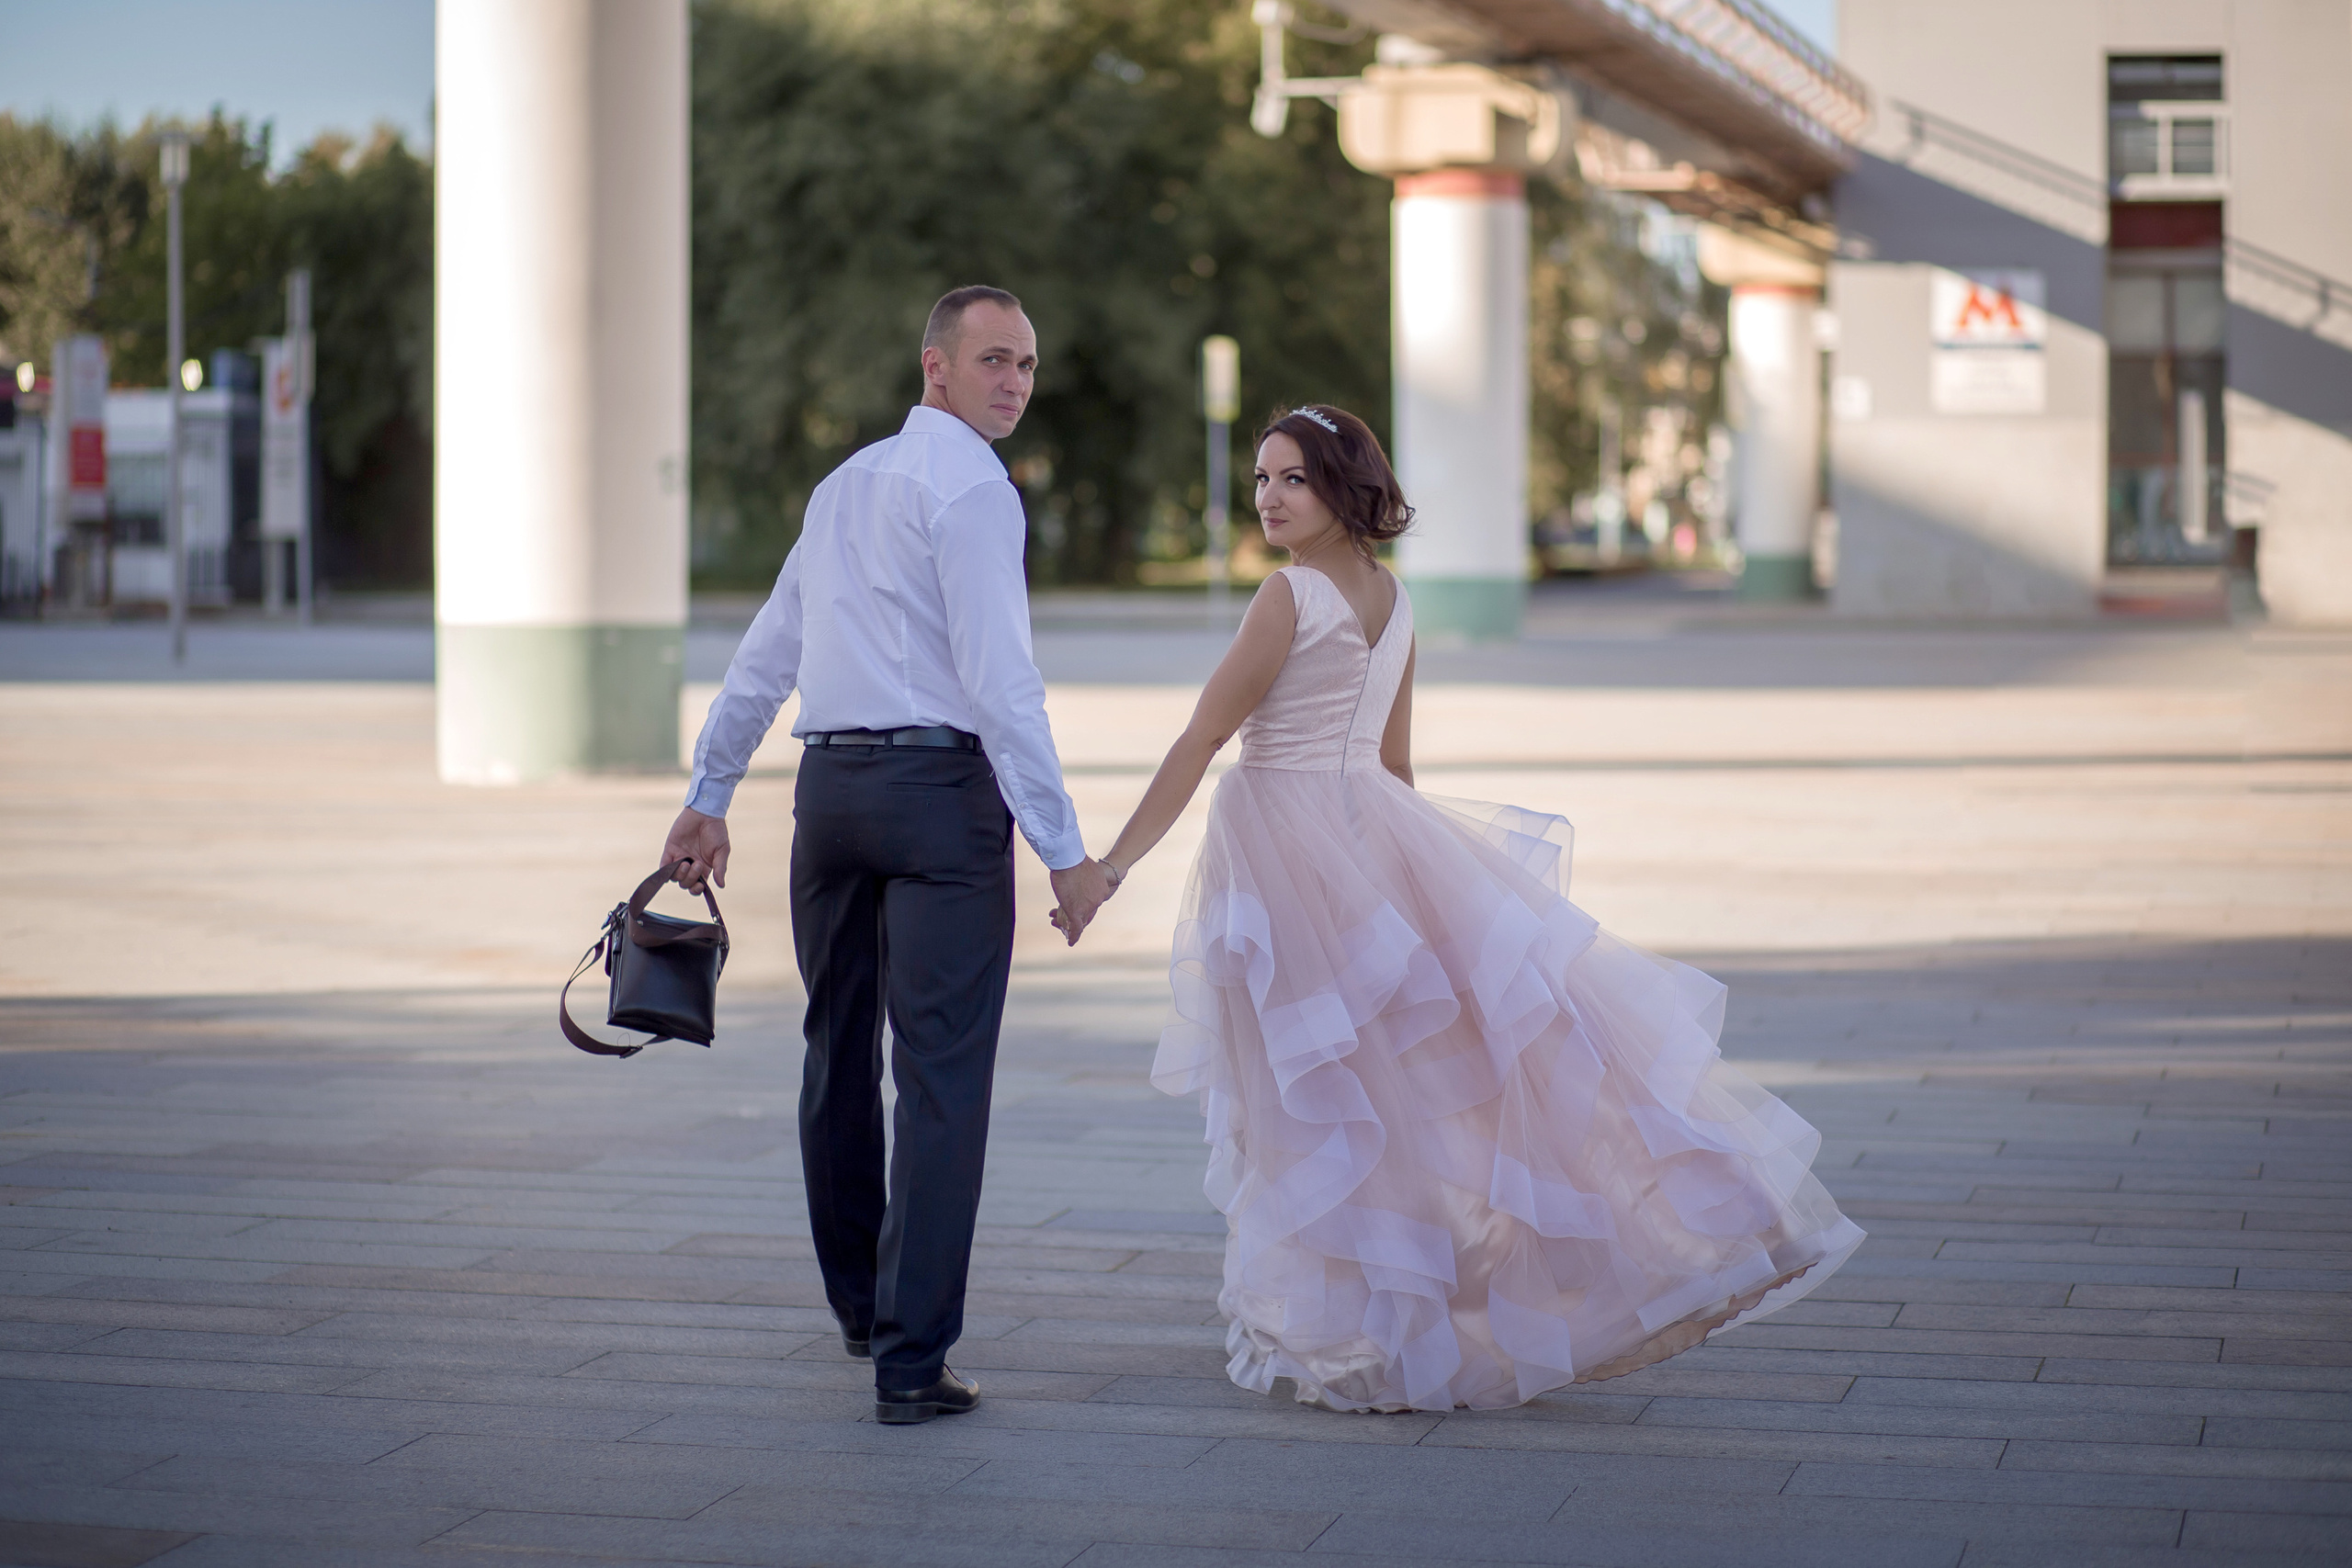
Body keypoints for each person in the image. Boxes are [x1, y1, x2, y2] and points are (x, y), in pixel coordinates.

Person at [1093, 405, 1864, 1412]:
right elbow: (1392, 768)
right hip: (1365, 841)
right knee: (1390, 1093)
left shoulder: (1286, 597)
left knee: (1325, 1103)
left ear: (1340, 487)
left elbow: (1201, 741)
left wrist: (1108, 866)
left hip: (1290, 860)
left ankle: (1373, 1329)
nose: (1268, 499)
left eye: (1291, 479)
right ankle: (1407, 1313)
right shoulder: (1393, 598)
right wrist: (1408, 888)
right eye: (1260, 478)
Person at [662, 286, 1119, 1426]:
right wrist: (1064, 851)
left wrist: (710, 793)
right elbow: (1002, 683)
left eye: (1025, 365)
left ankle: (864, 1310)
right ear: (936, 370)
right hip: (937, 802)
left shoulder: (843, 486)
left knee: (835, 1050)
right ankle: (910, 1363)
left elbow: (769, 653)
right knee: (940, 1078)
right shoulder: (973, 491)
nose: (1014, 382)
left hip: (834, 800)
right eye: (993, 361)